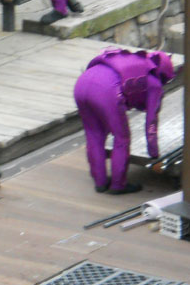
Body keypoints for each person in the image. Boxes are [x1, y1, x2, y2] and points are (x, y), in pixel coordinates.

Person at [73, 47, 175, 195]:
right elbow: (151, 121)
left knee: (94, 134)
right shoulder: (154, 83)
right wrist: (154, 153)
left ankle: (100, 182)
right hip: (106, 90)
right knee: (121, 138)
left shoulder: (135, 60)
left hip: (82, 84)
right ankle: (118, 185)